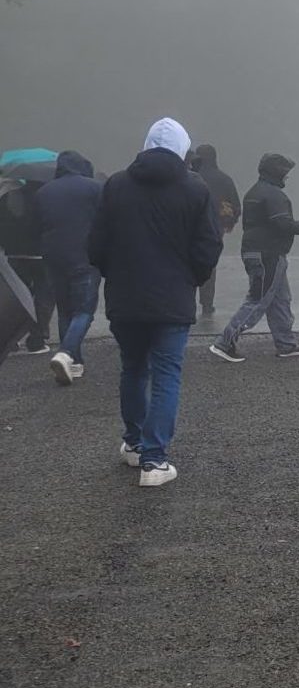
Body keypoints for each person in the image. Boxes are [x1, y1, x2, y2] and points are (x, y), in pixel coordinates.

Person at [87, 118, 221, 488]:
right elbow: (208, 246)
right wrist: (190, 279)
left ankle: (133, 443)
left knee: (132, 368)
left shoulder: (115, 185)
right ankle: (155, 460)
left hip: (124, 298)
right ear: (183, 149)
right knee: (166, 375)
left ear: (145, 145)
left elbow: (95, 245)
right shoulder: (196, 189)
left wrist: (115, 273)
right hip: (173, 299)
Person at [209, 153, 299, 362]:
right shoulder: (274, 195)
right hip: (269, 255)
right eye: (285, 173)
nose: (287, 177)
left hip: (256, 252)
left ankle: (286, 344)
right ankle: (225, 342)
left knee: (280, 299)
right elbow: (283, 224)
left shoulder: (254, 192)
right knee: (258, 300)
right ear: (277, 172)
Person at [35, 151, 101, 385]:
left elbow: (38, 225)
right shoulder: (94, 188)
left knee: (64, 310)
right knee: (84, 311)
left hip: (53, 257)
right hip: (84, 256)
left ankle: (74, 364)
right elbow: (103, 221)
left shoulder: (44, 191)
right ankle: (67, 353)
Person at [1, 175, 54, 353]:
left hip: (15, 254)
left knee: (16, 297)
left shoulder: (9, 196)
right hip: (41, 254)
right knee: (44, 297)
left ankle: (11, 339)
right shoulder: (47, 196)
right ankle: (36, 340)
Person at [188, 144, 241, 316]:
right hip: (214, 230)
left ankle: (188, 302)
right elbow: (236, 206)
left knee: (187, 266)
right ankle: (207, 304)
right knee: (209, 267)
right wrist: (229, 222)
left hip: (189, 229)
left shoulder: (188, 177)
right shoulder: (224, 179)